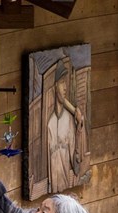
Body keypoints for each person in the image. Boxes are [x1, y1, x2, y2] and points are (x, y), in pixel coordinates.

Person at [47, 60, 82, 193]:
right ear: (55, 86)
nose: (65, 87)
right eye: (62, 82)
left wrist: (78, 129)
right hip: (52, 192)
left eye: (66, 82)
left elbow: (76, 166)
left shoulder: (68, 121)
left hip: (65, 191)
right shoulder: (49, 123)